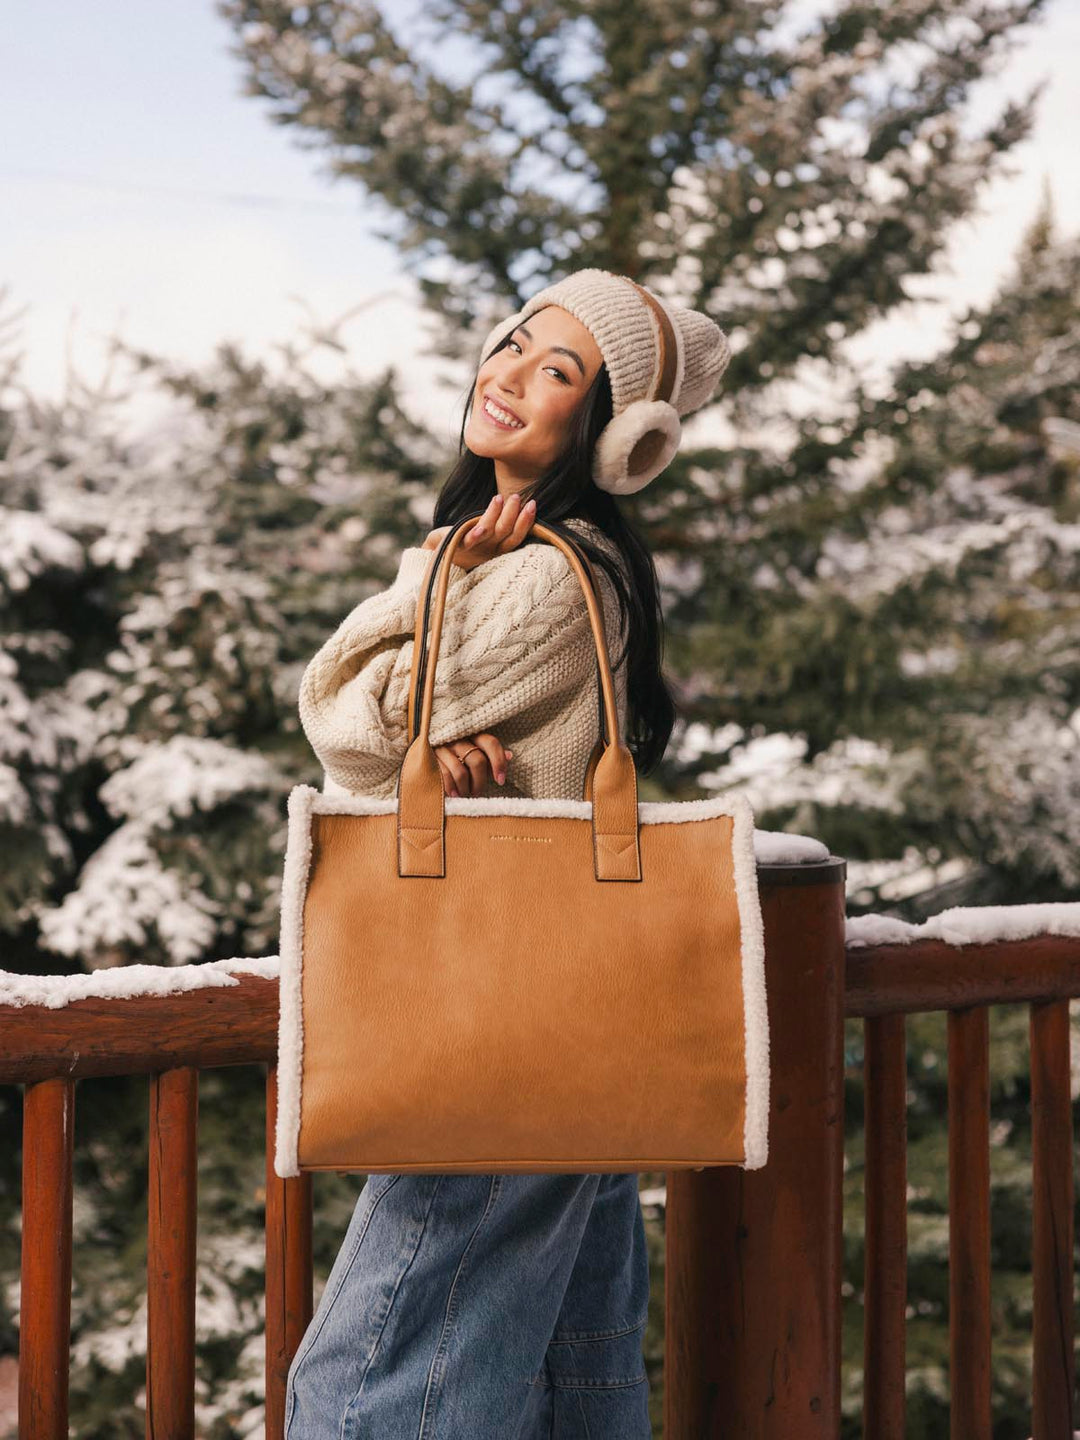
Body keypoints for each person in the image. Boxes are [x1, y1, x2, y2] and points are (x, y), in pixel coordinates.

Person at [284, 267, 731, 1439]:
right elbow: (391, 742)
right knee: (565, 1376)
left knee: (366, 1393)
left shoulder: (539, 573)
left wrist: (434, 573)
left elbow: (343, 712)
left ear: (609, 433)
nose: (512, 377)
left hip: (494, 1020)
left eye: (559, 373)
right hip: (576, 1021)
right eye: (517, 344)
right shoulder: (551, 560)